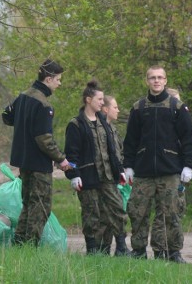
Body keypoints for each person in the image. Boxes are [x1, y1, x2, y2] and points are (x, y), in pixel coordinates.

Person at [122, 65, 192, 263]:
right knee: (138, 212)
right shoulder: (138, 108)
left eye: (160, 77)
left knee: (171, 213)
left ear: (165, 81)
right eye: (152, 78)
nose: (156, 81)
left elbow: (188, 137)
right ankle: (138, 251)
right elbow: (131, 140)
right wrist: (128, 166)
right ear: (147, 81)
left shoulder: (177, 107)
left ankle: (171, 252)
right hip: (143, 171)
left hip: (170, 171)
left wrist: (189, 165)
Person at [2, 59, 72, 247]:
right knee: (41, 207)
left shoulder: (23, 96)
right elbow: (44, 139)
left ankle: (19, 244)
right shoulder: (43, 105)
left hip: (23, 161)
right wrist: (61, 159)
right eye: (58, 79)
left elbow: (6, 116)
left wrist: (21, 123)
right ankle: (30, 245)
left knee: (29, 203)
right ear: (48, 79)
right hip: (39, 164)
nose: (59, 83)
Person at [64, 81, 128, 256]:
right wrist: (73, 175)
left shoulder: (104, 123)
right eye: (99, 99)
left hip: (108, 177)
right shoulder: (76, 124)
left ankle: (122, 248)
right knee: (92, 215)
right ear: (88, 100)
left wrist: (119, 169)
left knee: (118, 210)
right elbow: (71, 154)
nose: (102, 102)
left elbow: (113, 150)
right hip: (88, 177)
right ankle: (93, 250)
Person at [98, 94, 131, 256]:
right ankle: (116, 248)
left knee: (112, 213)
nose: (118, 110)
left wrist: (124, 170)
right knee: (113, 212)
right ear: (105, 109)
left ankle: (116, 248)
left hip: (115, 179)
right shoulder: (99, 129)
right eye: (115, 107)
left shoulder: (113, 130)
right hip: (104, 179)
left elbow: (120, 153)